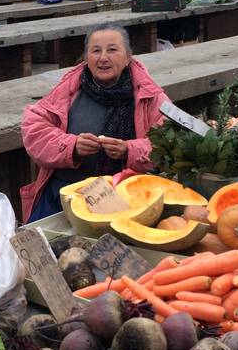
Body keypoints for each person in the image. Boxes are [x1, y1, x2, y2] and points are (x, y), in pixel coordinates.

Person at [20, 23, 171, 222]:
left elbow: (169, 142)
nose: (103, 58)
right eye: (96, 51)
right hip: (63, 196)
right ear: (86, 58)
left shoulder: (150, 96)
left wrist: (129, 150)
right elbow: (33, 129)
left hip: (126, 202)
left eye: (112, 50)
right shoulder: (68, 89)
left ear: (128, 57)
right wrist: (71, 146)